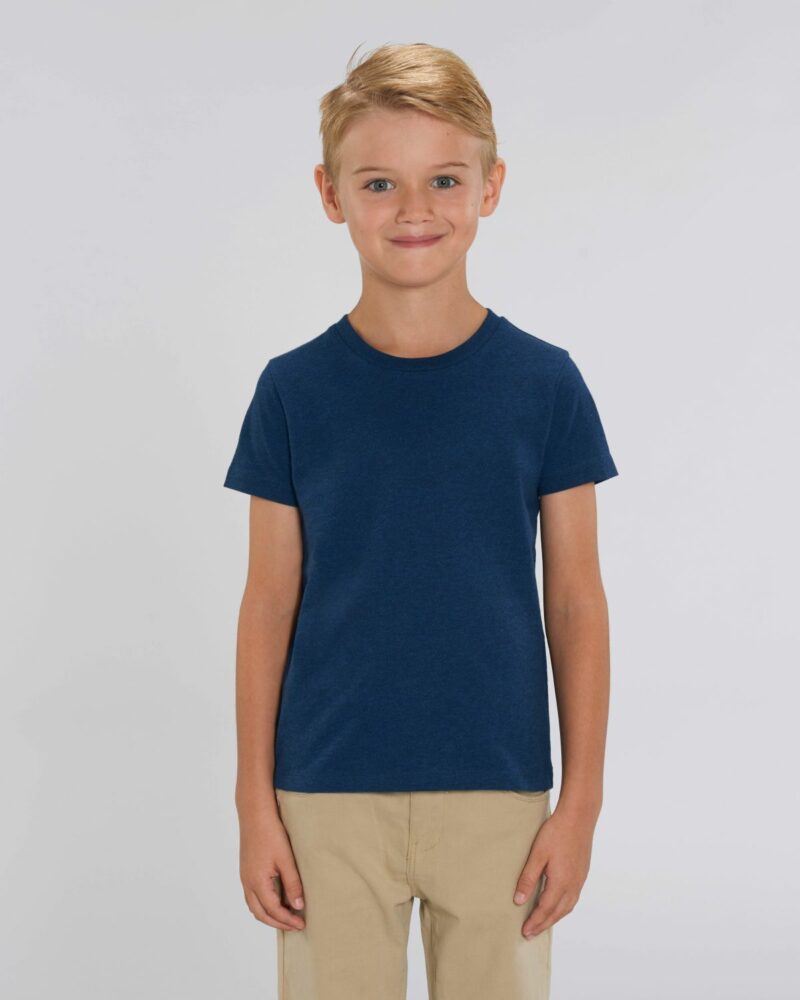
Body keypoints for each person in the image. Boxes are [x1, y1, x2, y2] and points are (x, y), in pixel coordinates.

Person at [223, 41, 619, 1000]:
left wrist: (581, 807)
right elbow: (268, 603)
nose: (414, 210)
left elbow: (575, 601)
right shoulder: (292, 391)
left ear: (491, 187)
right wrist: (254, 805)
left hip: (500, 794)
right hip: (325, 795)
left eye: (444, 179)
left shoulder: (545, 385)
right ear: (331, 194)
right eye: (379, 183)